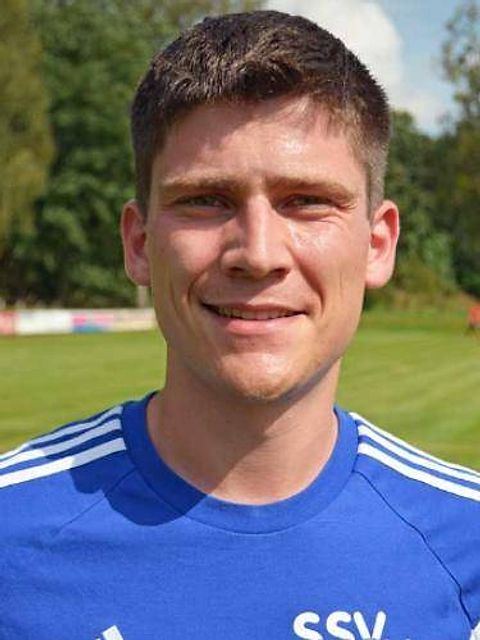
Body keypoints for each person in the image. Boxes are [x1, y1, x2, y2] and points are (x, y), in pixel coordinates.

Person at [1, 10, 479, 640]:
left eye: (306, 202)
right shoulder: (12, 534)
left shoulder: (466, 543)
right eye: (206, 200)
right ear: (139, 244)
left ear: (377, 244)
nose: (258, 254)